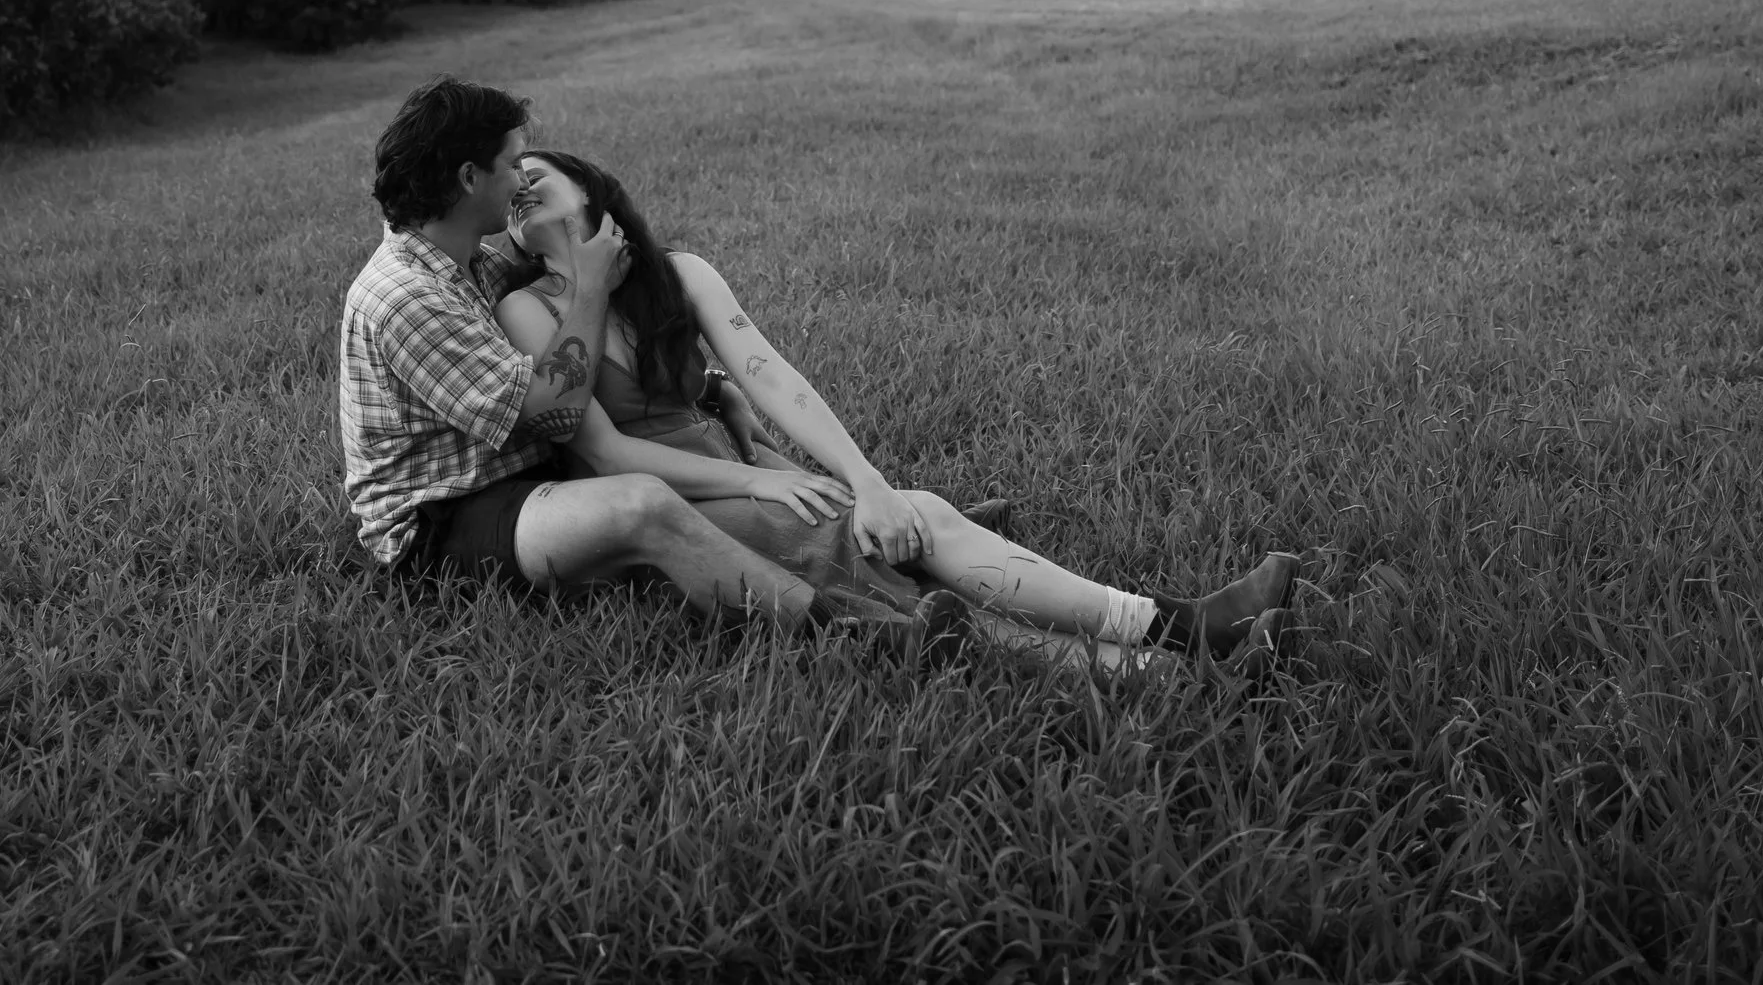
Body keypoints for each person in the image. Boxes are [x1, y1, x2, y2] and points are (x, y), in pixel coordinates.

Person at [495, 149, 1298, 672]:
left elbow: (772, 378)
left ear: (593, 188)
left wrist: (863, 476)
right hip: (679, 506)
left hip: (738, 475)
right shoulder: (528, 311)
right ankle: (1174, 653)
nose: (519, 187)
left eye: (537, 171)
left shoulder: (681, 273)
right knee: (899, 555)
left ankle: (1173, 637)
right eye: (509, 189)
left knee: (904, 515)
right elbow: (604, 456)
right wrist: (762, 485)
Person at [337, 77, 977, 657]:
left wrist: (713, 389)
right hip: (440, 522)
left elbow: (597, 356)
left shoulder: (478, 261)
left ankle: (900, 542)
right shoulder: (404, 294)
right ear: (471, 178)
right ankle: (853, 635)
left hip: (524, 480)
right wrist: (587, 288)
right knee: (639, 503)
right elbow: (548, 409)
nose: (521, 185)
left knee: (688, 498)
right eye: (511, 167)